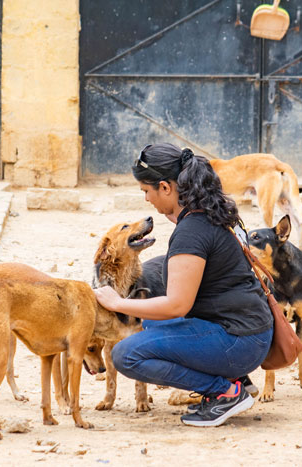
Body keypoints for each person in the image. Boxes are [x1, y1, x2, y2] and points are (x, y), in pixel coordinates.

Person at [93, 142, 273, 427]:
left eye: (146, 191)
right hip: (250, 332)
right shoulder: (209, 213)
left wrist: (117, 303)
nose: (147, 200)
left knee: (126, 354)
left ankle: (225, 392)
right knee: (150, 324)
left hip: (239, 342)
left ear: (165, 187)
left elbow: (178, 304)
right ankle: (234, 378)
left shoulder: (191, 231)